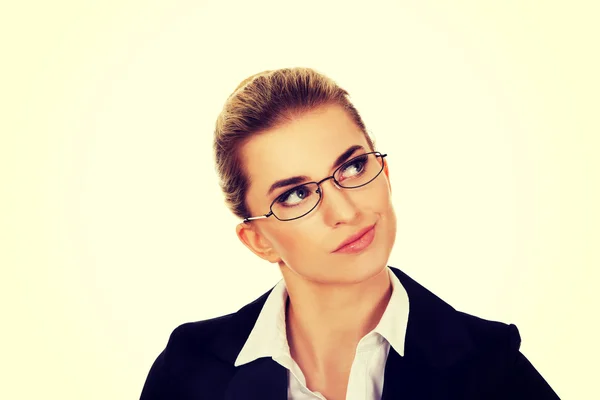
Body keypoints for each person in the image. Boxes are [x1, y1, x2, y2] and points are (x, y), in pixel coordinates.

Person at [140, 67, 558, 399]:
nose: (345, 210)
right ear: (259, 240)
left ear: (385, 172)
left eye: (353, 167)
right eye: (296, 194)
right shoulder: (187, 372)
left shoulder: (492, 370)